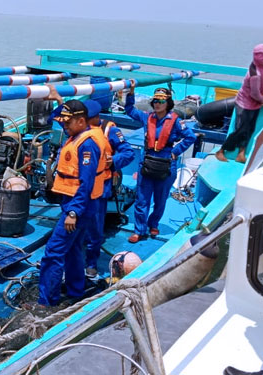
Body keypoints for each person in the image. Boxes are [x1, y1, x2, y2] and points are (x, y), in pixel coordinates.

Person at [37, 100, 109, 307]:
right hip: (78, 204)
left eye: (68, 123)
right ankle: (76, 290)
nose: (64, 127)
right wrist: (56, 98)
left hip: (78, 207)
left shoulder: (87, 145)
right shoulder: (76, 135)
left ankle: (46, 302)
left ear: (80, 121)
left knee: (54, 252)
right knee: (74, 249)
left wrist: (73, 212)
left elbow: (86, 183)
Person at [125, 86, 196, 243]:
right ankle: (139, 230)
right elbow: (129, 110)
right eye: (155, 101)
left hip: (166, 164)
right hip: (147, 162)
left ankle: (154, 223)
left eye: (161, 101)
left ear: (168, 103)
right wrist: (130, 94)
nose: (157, 104)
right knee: (142, 199)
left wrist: (176, 151)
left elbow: (190, 137)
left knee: (160, 199)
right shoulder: (147, 117)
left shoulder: (176, 121)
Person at [82, 100, 135, 278]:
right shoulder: (79, 129)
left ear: (96, 117)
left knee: (96, 227)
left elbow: (128, 153)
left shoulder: (110, 130)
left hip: (100, 186)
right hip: (79, 185)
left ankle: (91, 263)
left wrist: (112, 161)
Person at [216, 44, 263, 163]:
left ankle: (241, 153)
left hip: (255, 104)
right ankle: (221, 151)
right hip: (245, 104)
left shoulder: (259, 68)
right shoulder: (255, 74)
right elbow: (255, 94)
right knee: (240, 129)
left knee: (250, 129)